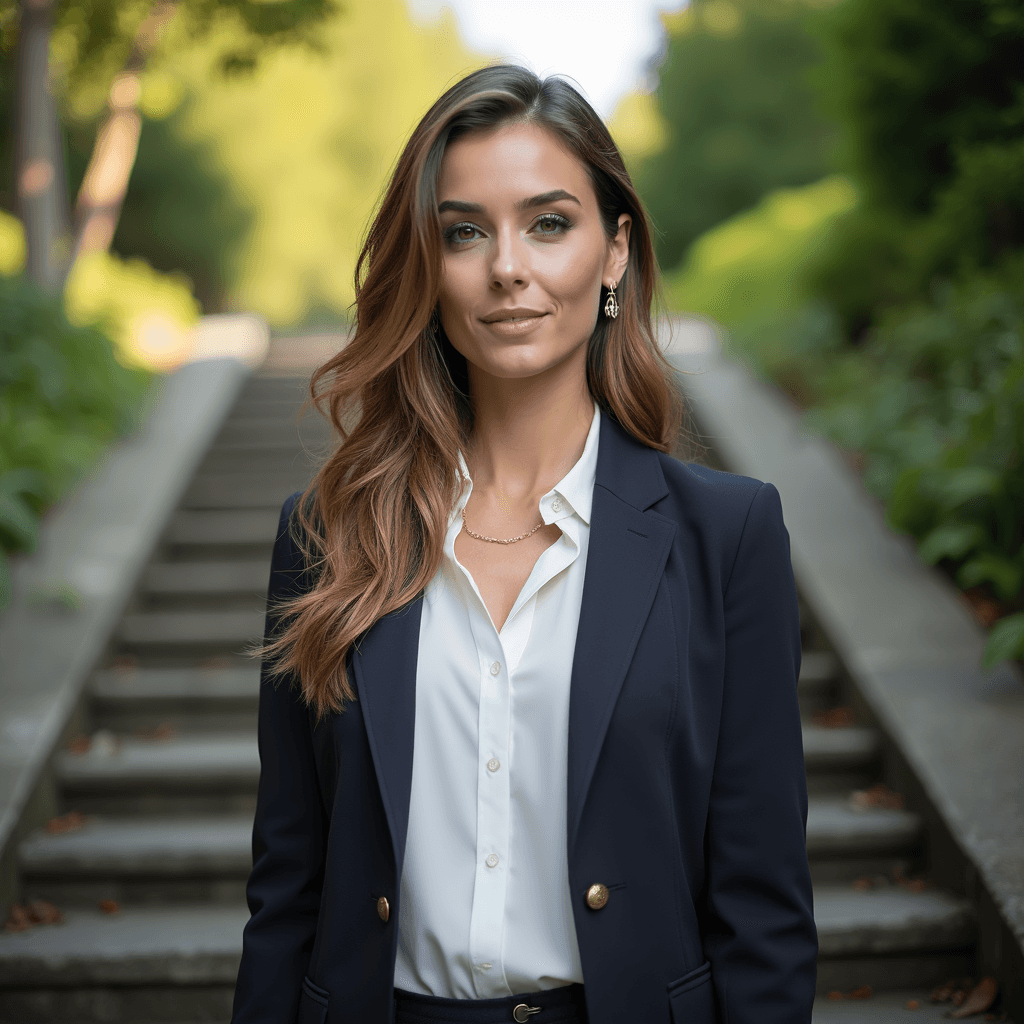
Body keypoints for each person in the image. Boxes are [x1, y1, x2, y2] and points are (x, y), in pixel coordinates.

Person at [231, 64, 817, 1024]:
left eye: (549, 222)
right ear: (427, 265)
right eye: (465, 231)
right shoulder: (328, 536)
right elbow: (287, 887)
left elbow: (763, 906)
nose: (508, 266)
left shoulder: (728, 535)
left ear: (615, 250)